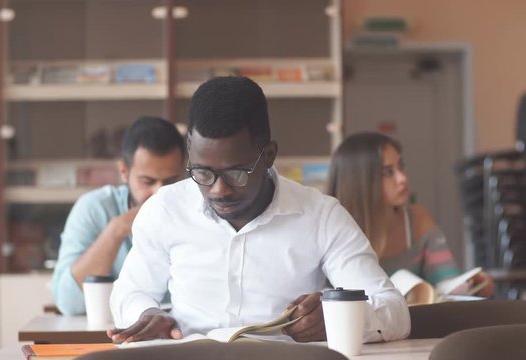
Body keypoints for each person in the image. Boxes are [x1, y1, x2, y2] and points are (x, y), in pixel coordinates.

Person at [109, 76, 410, 344]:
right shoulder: (166, 209)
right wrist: (147, 312)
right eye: (202, 172)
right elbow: (128, 293)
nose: (218, 189)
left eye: (236, 173)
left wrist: (337, 317)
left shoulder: (321, 216)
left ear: (268, 155)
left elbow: (395, 312)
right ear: (190, 150)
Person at [327, 132, 494, 297]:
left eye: (401, 166)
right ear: (359, 181)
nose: (402, 178)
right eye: (388, 172)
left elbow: (448, 282)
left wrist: (473, 285)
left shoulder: (417, 219)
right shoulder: (332, 229)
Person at [51, 116, 186, 315]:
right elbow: (69, 303)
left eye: (171, 181)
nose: (160, 193)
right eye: (148, 181)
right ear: (123, 171)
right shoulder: (94, 208)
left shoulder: (196, 211)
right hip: (110, 335)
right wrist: (116, 230)